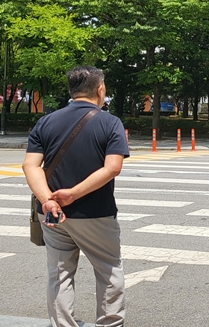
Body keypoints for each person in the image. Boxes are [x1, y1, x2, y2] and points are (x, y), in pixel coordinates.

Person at [22, 65, 129, 327]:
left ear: (72, 91)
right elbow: (113, 167)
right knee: (108, 270)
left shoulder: (46, 121)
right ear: (100, 89)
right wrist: (73, 193)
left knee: (59, 274)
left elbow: (30, 165)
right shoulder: (110, 122)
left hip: (53, 213)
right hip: (96, 212)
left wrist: (48, 198)